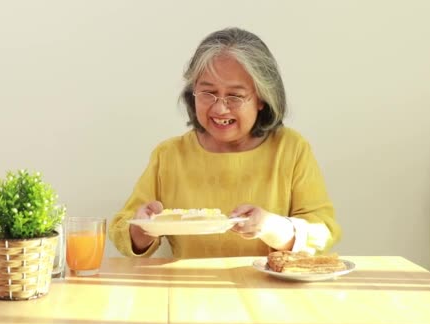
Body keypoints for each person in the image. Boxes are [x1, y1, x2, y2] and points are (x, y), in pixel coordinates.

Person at [109, 27, 341, 258]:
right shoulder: (169, 155)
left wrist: (272, 227)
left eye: (235, 96)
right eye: (208, 93)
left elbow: (323, 230)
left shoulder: (290, 149)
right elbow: (123, 231)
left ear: (261, 97)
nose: (220, 108)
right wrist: (143, 227)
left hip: (270, 290)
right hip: (189, 288)